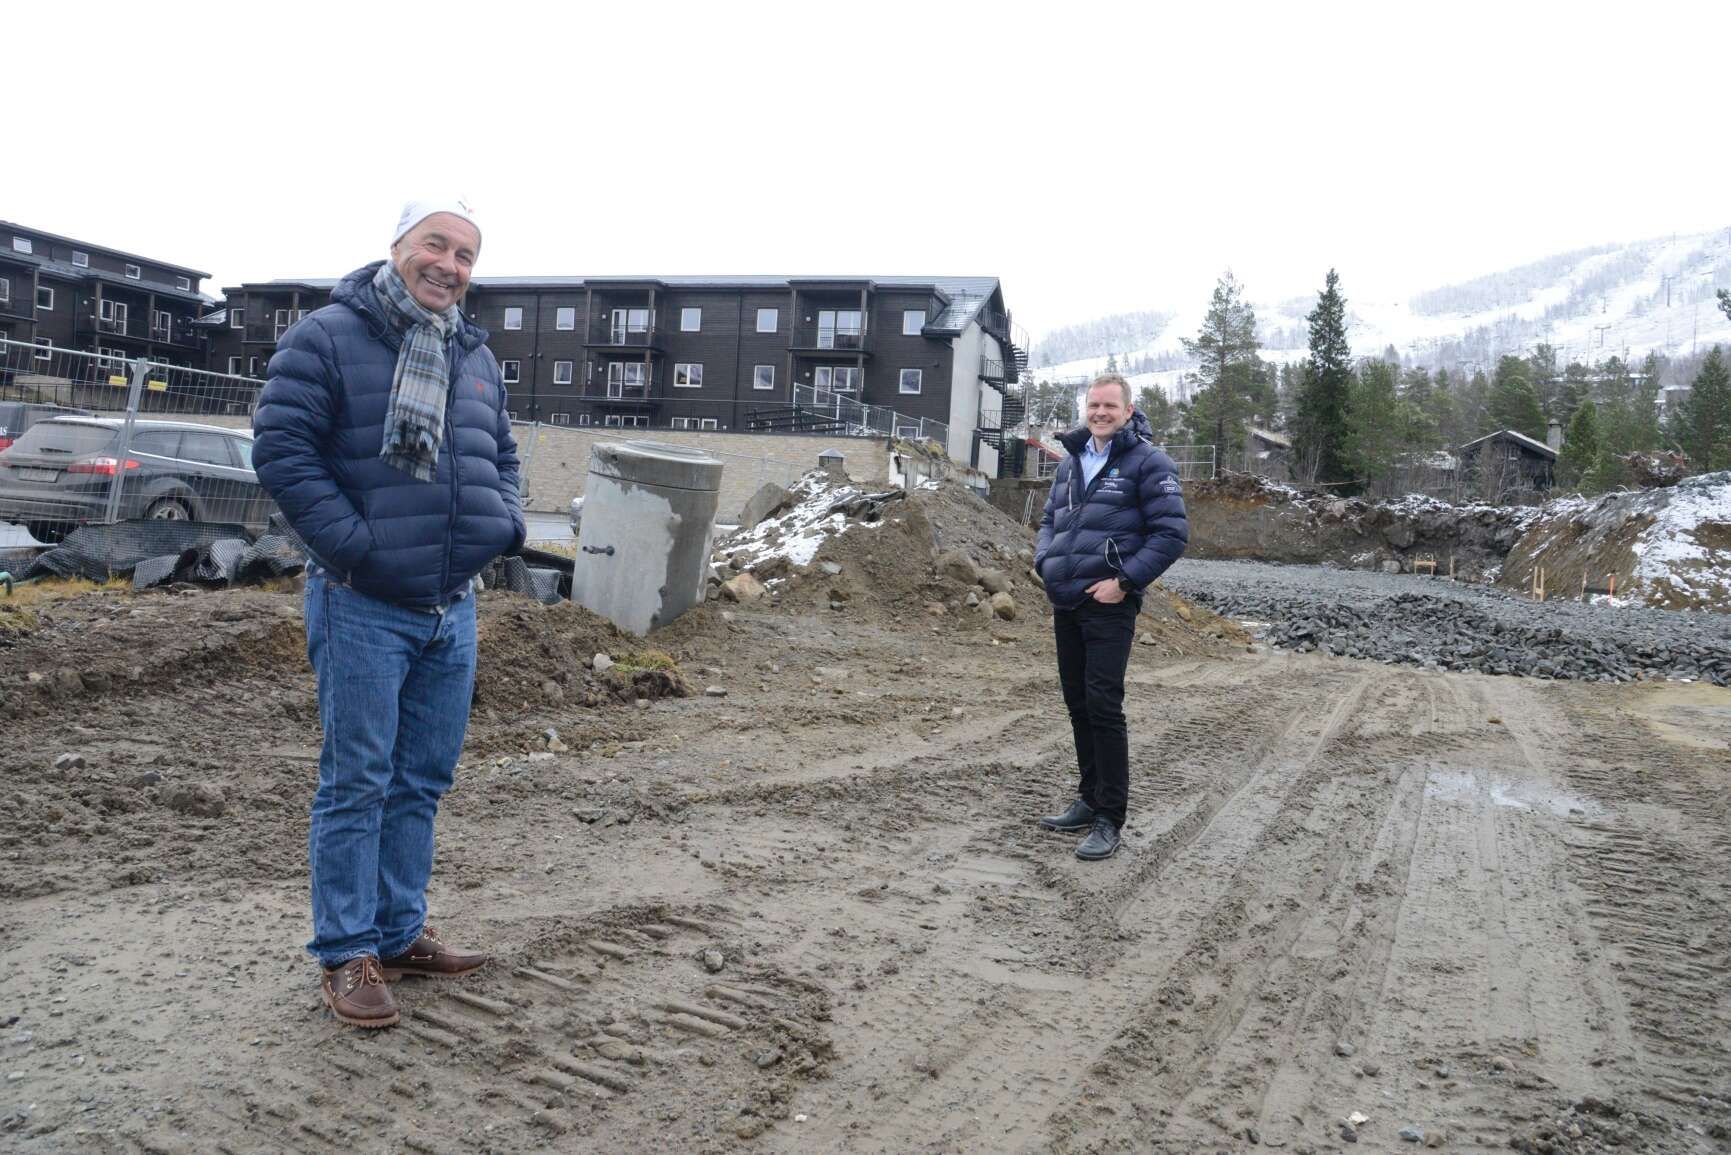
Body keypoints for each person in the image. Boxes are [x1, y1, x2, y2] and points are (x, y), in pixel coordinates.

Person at [252, 199, 526, 1027]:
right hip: (361, 601)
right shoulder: (328, 337)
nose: (449, 264)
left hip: (452, 605)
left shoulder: (473, 354)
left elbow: (501, 454)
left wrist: (506, 523)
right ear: (398, 246)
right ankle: (346, 950)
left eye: (466, 254)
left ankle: (399, 932)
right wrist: (356, 547)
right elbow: (282, 451)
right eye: (434, 244)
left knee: (420, 780)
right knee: (357, 781)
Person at [1032, 372, 1188, 860]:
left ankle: (1109, 818)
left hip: (1109, 605)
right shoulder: (1072, 461)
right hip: (1066, 600)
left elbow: (1171, 535)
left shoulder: (1149, 462)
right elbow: (1049, 520)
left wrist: (1123, 583)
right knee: (1078, 704)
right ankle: (1089, 798)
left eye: (1109, 406)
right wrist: (1044, 562)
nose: (1100, 413)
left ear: (1128, 411)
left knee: (1103, 707)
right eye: (1094, 405)